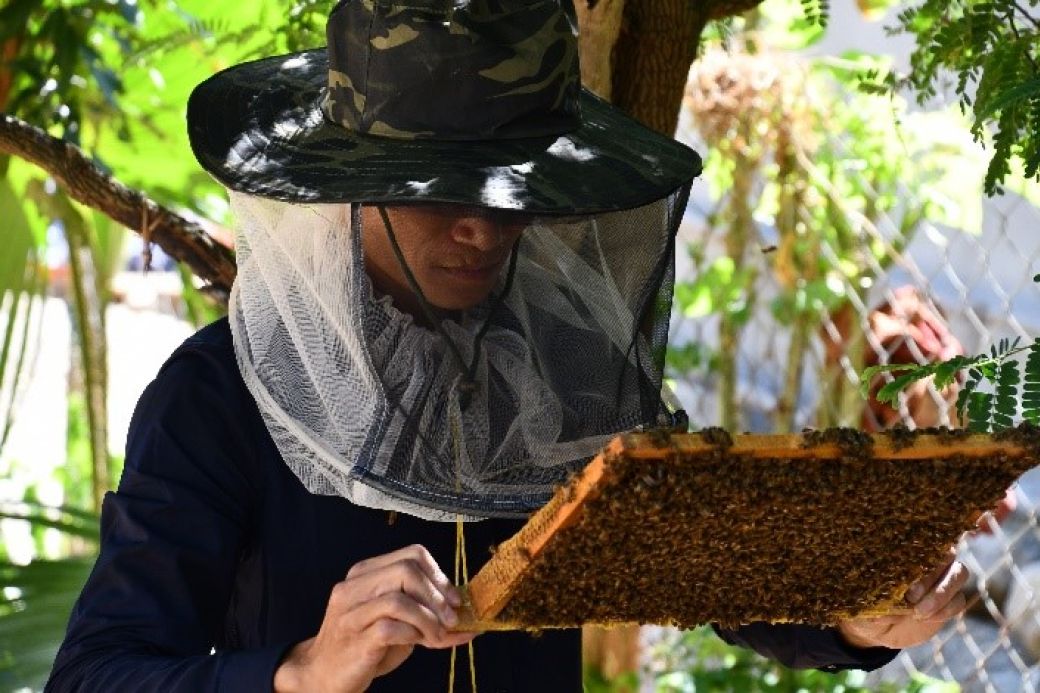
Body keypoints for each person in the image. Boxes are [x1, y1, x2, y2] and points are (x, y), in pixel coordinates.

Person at [47, 1, 969, 691]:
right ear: (352, 188)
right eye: (441, 189)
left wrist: (853, 621)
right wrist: (299, 671)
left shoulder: (571, 365)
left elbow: (706, 567)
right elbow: (96, 672)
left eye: (511, 191)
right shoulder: (218, 396)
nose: (485, 229)